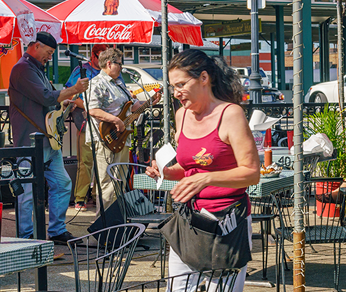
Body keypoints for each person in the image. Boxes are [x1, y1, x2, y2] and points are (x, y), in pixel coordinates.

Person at [145, 49, 258, 292]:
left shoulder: (231, 114)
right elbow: (189, 167)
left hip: (228, 221)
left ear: (204, 78)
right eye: (172, 86)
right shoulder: (181, 116)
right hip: (190, 220)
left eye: (181, 84)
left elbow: (251, 173)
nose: (175, 93)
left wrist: (205, 179)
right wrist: (164, 171)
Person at [9, 32, 88, 243]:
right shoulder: (22, 69)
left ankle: (56, 231)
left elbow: (47, 100)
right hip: (29, 140)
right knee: (26, 192)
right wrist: (73, 90)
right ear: (36, 46)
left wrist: (62, 103)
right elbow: (45, 96)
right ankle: (25, 237)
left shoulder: (35, 69)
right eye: (49, 52)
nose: (50, 57)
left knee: (62, 184)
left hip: (46, 138)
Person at [86, 47, 157, 208]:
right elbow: (92, 109)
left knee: (119, 181)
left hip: (121, 138)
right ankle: (105, 225)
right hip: (105, 138)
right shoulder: (96, 83)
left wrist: (150, 102)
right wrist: (115, 120)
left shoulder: (119, 83)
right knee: (107, 182)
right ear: (109, 64)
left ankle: (117, 219)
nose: (122, 67)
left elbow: (131, 107)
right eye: (119, 63)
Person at [68, 44, 110, 210]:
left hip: (103, 126)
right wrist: (89, 108)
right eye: (99, 57)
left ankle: (97, 195)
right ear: (92, 56)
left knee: (103, 163)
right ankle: (80, 197)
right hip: (85, 123)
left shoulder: (108, 72)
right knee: (85, 162)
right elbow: (70, 94)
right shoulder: (82, 70)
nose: (102, 61)